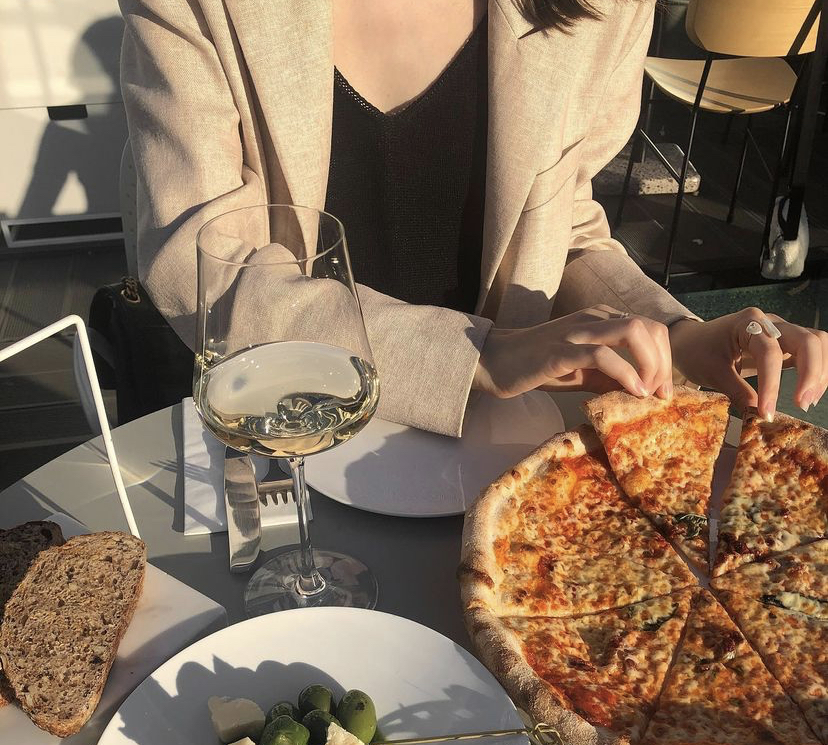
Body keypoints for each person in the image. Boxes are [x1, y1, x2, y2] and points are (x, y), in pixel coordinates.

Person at [118, 0, 828, 436]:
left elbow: (563, 230)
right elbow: (205, 266)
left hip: (504, 457)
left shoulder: (603, 7)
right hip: (289, 432)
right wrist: (477, 356)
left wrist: (677, 337)